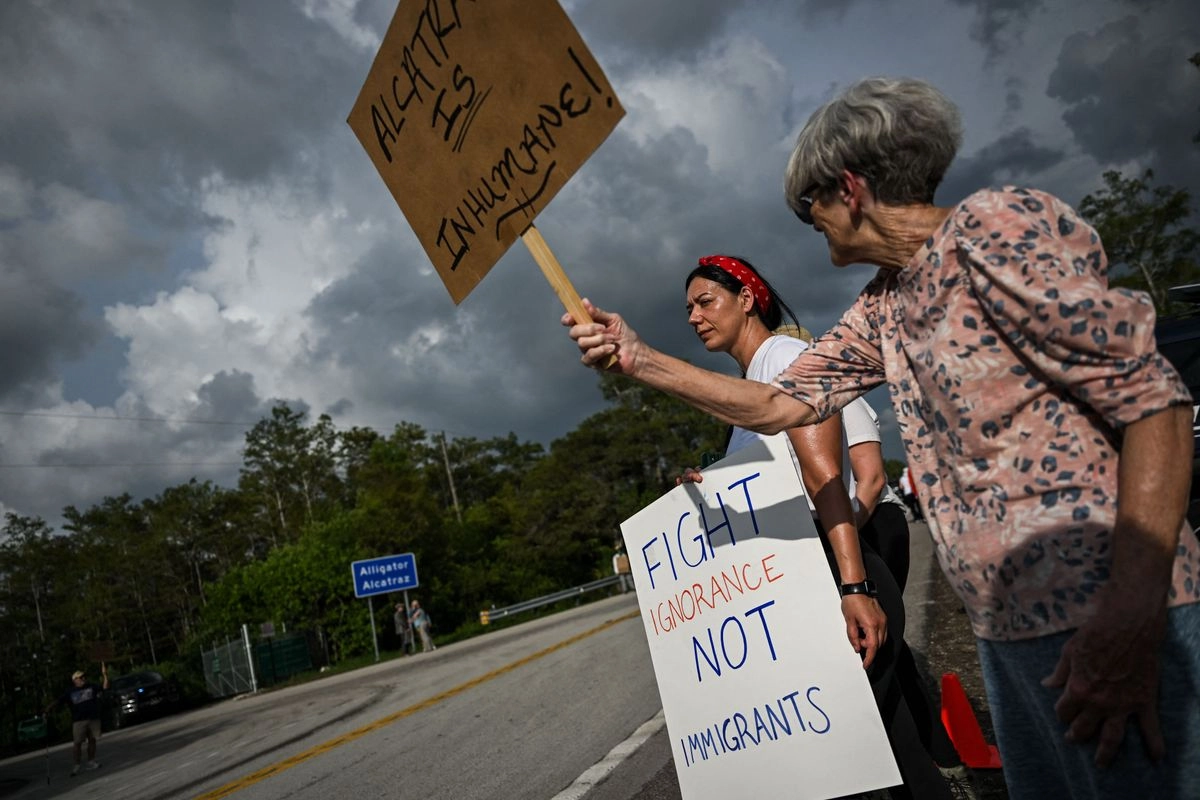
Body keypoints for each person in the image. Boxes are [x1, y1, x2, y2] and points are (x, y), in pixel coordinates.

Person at [565, 77, 1200, 800]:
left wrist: (1131, 616)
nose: (813, 223)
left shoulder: (994, 227)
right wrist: (638, 358)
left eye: (812, 206)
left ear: (850, 188)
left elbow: (1154, 402)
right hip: (1007, 628)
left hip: (1108, 613)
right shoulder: (885, 304)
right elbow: (780, 403)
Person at [680, 254, 954, 799]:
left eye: (705, 302)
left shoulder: (785, 356)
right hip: (820, 575)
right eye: (688, 308)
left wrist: (853, 586)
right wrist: (711, 484)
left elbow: (827, 479)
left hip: (837, 574)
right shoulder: (752, 382)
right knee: (895, 753)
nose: (693, 317)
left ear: (748, 297)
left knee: (842, 759)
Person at [45, 664, 109, 776]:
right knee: (77, 743)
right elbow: (59, 701)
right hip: (79, 720)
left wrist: (105, 675)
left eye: (84, 677)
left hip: (92, 717)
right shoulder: (70, 691)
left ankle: (91, 761)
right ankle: (77, 765)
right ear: (75, 680)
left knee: (92, 740)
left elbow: (104, 687)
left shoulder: (91, 686)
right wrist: (48, 709)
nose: (83, 679)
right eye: (80, 678)